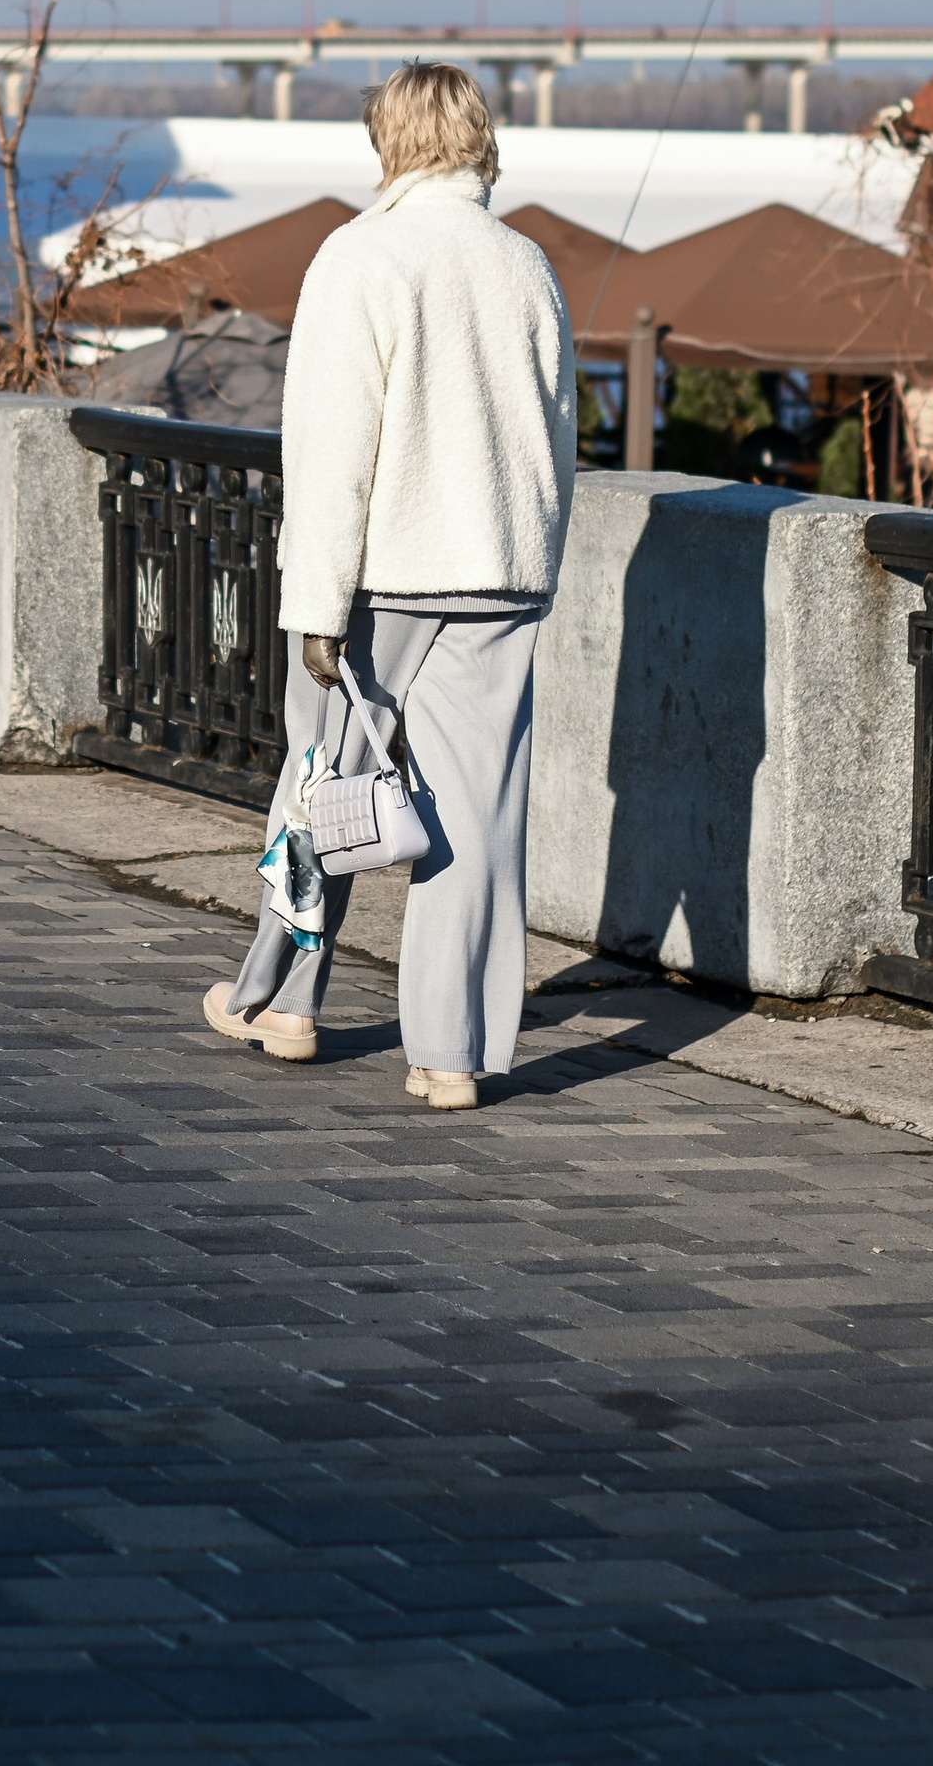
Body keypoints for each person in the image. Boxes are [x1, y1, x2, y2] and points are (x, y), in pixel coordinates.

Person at [203, 61, 576, 1110]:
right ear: (477, 137)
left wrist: (316, 604)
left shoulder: (361, 255)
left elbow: (332, 450)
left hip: (379, 581)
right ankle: (450, 1053)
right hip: (500, 574)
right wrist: (533, 560)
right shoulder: (524, 261)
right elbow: (556, 437)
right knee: (472, 822)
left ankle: (279, 998)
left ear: (390, 140)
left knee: (323, 791)